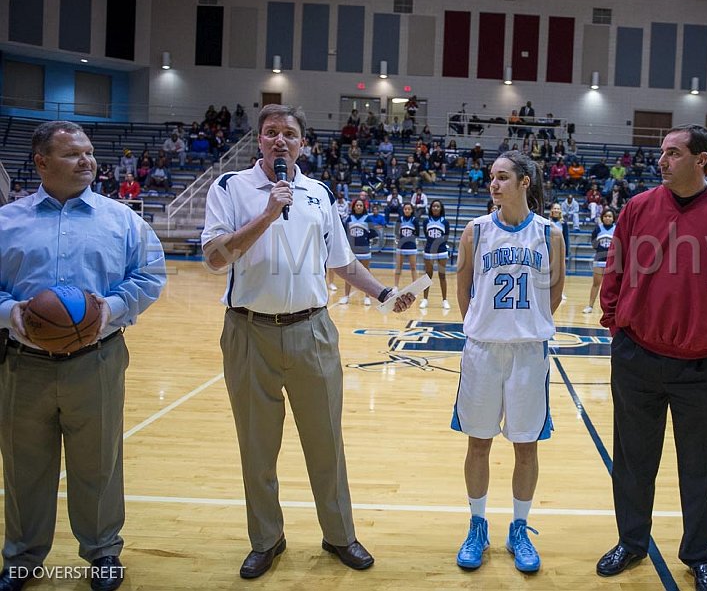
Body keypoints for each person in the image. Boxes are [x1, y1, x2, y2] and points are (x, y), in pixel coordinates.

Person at [201, 105, 414, 580]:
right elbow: (215, 258)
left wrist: (383, 292)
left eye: (290, 134)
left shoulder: (319, 193)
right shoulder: (230, 189)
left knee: (326, 444)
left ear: (302, 143)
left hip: (312, 330)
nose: (281, 141)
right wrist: (268, 212)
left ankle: (340, 535)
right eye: (272, 133)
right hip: (248, 331)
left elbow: (342, 261)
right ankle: (266, 539)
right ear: (259, 140)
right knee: (257, 447)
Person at [595, 124, 707, 591]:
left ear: (702, 160)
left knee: (701, 465)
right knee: (633, 460)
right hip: (637, 358)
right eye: (662, 152)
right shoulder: (638, 207)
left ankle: (698, 555)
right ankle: (632, 542)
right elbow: (615, 269)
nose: (663, 160)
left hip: (704, 365)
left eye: (673, 152)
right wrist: (616, 325)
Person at [0, 120, 166, 591]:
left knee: (99, 462)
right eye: (74, 154)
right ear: (41, 162)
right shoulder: (7, 221)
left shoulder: (122, 220)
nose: (87, 161)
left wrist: (106, 310)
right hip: (21, 363)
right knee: (23, 464)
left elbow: (150, 275)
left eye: (89, 153)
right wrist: (14, 312)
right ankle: (23, 557)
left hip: (98, 359)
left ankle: (102, 552)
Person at [451, 150, 565, 574]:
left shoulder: (550, 233)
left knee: (525, 445)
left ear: (524, 182)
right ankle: (477, 525)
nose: (493, 184)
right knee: (478, 442)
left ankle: (519, 528)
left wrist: (526, 324)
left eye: (501, 178)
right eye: (491, 178)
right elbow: (463, 290)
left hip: (528, 353)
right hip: (483, 351)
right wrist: (483, 326)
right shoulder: (475, 231)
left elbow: (553, 294)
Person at [338, 199, 378, 306]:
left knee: (366, 273)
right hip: (351, 250)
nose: (359, 207)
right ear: (354, 207)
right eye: (357, 205)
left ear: (364, 207)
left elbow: (373, 233)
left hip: (364, 250)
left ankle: (367, 296)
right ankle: (346, 296)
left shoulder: (367, 218)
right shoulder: (349, 218)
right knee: (350, 273)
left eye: (361, 205)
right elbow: (344, 233)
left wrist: (366, 239)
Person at [583, 209, 615, 315]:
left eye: (610, 216)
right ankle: (590, 306)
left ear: (613, 218)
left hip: (613, 261)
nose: (607, 218)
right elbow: (593, 243)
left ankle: (611, 308)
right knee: (596, 284)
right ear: (602, 217)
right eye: (605, 216)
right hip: (599, 259)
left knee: (612, 285)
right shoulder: (598, 229)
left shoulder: (617, 228)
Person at [420, 199, 451, 310]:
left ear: (441, 208)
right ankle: (425, 299)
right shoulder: (426, 221)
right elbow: (426, 234)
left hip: (442, 250)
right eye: (434, 206)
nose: (435, 208)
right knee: (428, 275)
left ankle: (444, 300)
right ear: (431, 208)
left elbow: (446, 236)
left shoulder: (445, 222)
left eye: (438, 206)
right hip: (429, 250)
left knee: (442, 275)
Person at [394, 202, 420, 288]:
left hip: (411, 247)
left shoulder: (414, 220)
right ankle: (396, 287)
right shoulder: (400, 219)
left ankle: (414, 286)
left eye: (409, 209)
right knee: (398, 267)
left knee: (413, 267)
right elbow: (396, 231)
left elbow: (418, 233)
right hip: (401, 247)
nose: (407, 210)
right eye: (405, 209)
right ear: (403, 210)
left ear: (412, 210)